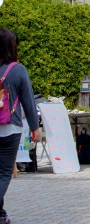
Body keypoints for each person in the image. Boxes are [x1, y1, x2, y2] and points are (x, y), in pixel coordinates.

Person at [0, 29, 40, 224]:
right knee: (4, 172)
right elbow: (29, 102)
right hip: (10, 128)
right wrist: (35, 127)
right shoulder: (18, 69)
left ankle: (1, 214)